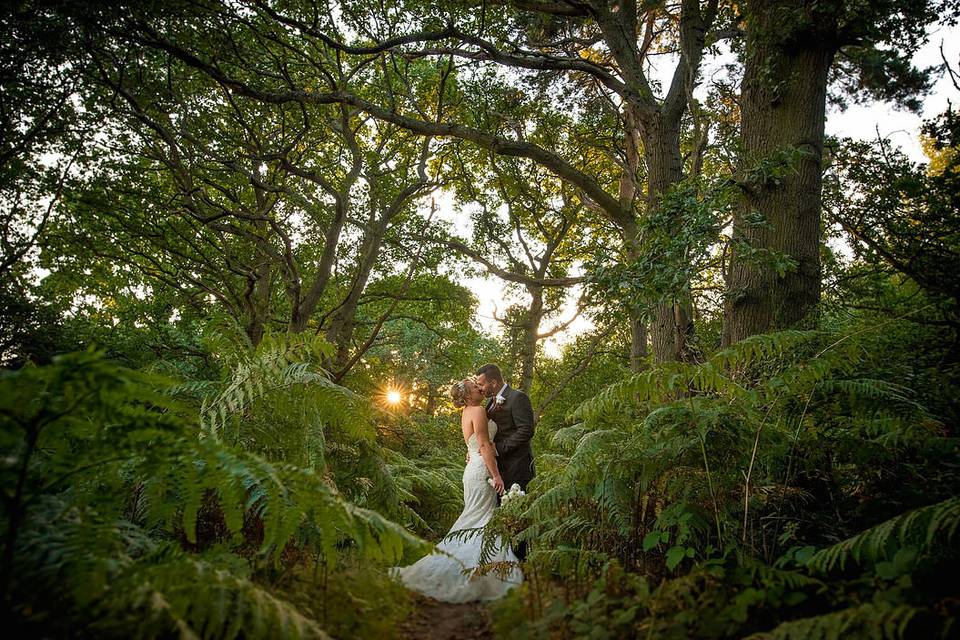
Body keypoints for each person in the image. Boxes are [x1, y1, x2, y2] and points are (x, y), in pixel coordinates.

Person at [390, 377, 522, 602]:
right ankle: (482, 571)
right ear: (468, 396)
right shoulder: (478, 410)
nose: (479, 388)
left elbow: (474, 444)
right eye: (474, 387)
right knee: (483, 518)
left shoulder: (468, 412)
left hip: (472, 469)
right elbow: (482, 445)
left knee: (474, 518)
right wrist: (497, 474)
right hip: (482, 470)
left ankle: (477, 567)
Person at [474, 364, 535, 562]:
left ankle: (520, 564)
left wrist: (498, 449)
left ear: (494, 382)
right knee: (502, 518)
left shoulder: (518, 398)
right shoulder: (489, 403)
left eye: (482, 384)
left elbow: (526, 431)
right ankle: (504, 562)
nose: (480, 388)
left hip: (518, 468)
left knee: (517, 518)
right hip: (497, 470)